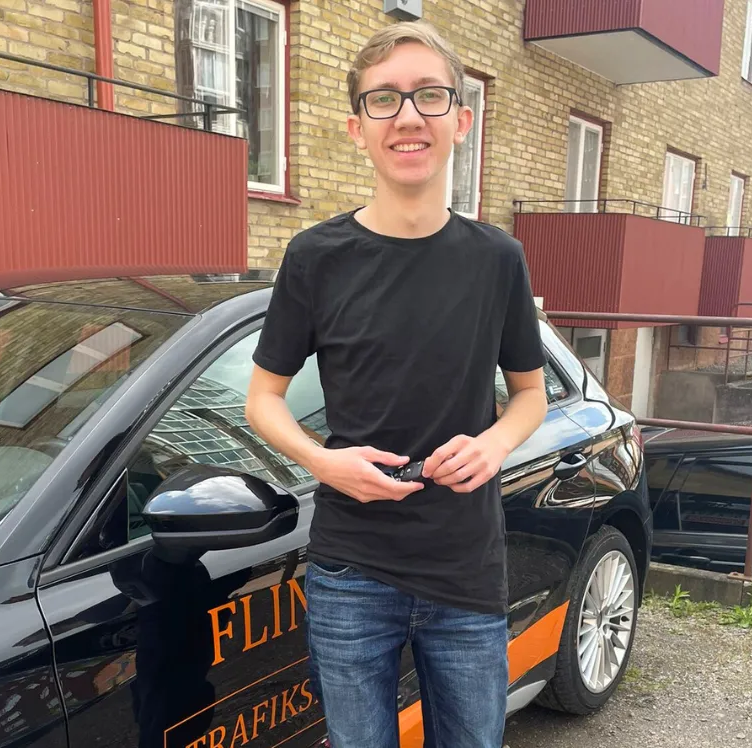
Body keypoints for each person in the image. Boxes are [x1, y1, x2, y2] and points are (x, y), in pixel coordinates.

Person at [244, 19, 548, 748]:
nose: (407, 116)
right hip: (352, 570)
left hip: (465, 569)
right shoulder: (315, 257)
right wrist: (321, 461)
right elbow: (262, 398)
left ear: (460, 121)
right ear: (358, 128)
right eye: (384, 99)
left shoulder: (497, 259)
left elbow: (530, 395)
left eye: (428, 96)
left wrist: (493, 445)